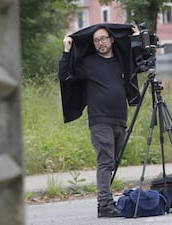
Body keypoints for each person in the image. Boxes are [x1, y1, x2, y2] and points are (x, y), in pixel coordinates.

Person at [58, 23, 141, 218]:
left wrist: (137, 39)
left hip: (120, 119)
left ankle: (106, 201)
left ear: (112, 39)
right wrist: (67, 50)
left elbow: (140, 63)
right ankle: (104, 204)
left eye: (103, 39)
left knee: (113, 161)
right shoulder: (88, 63)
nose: (100, 43)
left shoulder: (121, 61)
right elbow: (64, 75)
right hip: (99, 120)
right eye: (96, 41)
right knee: (105, 161)